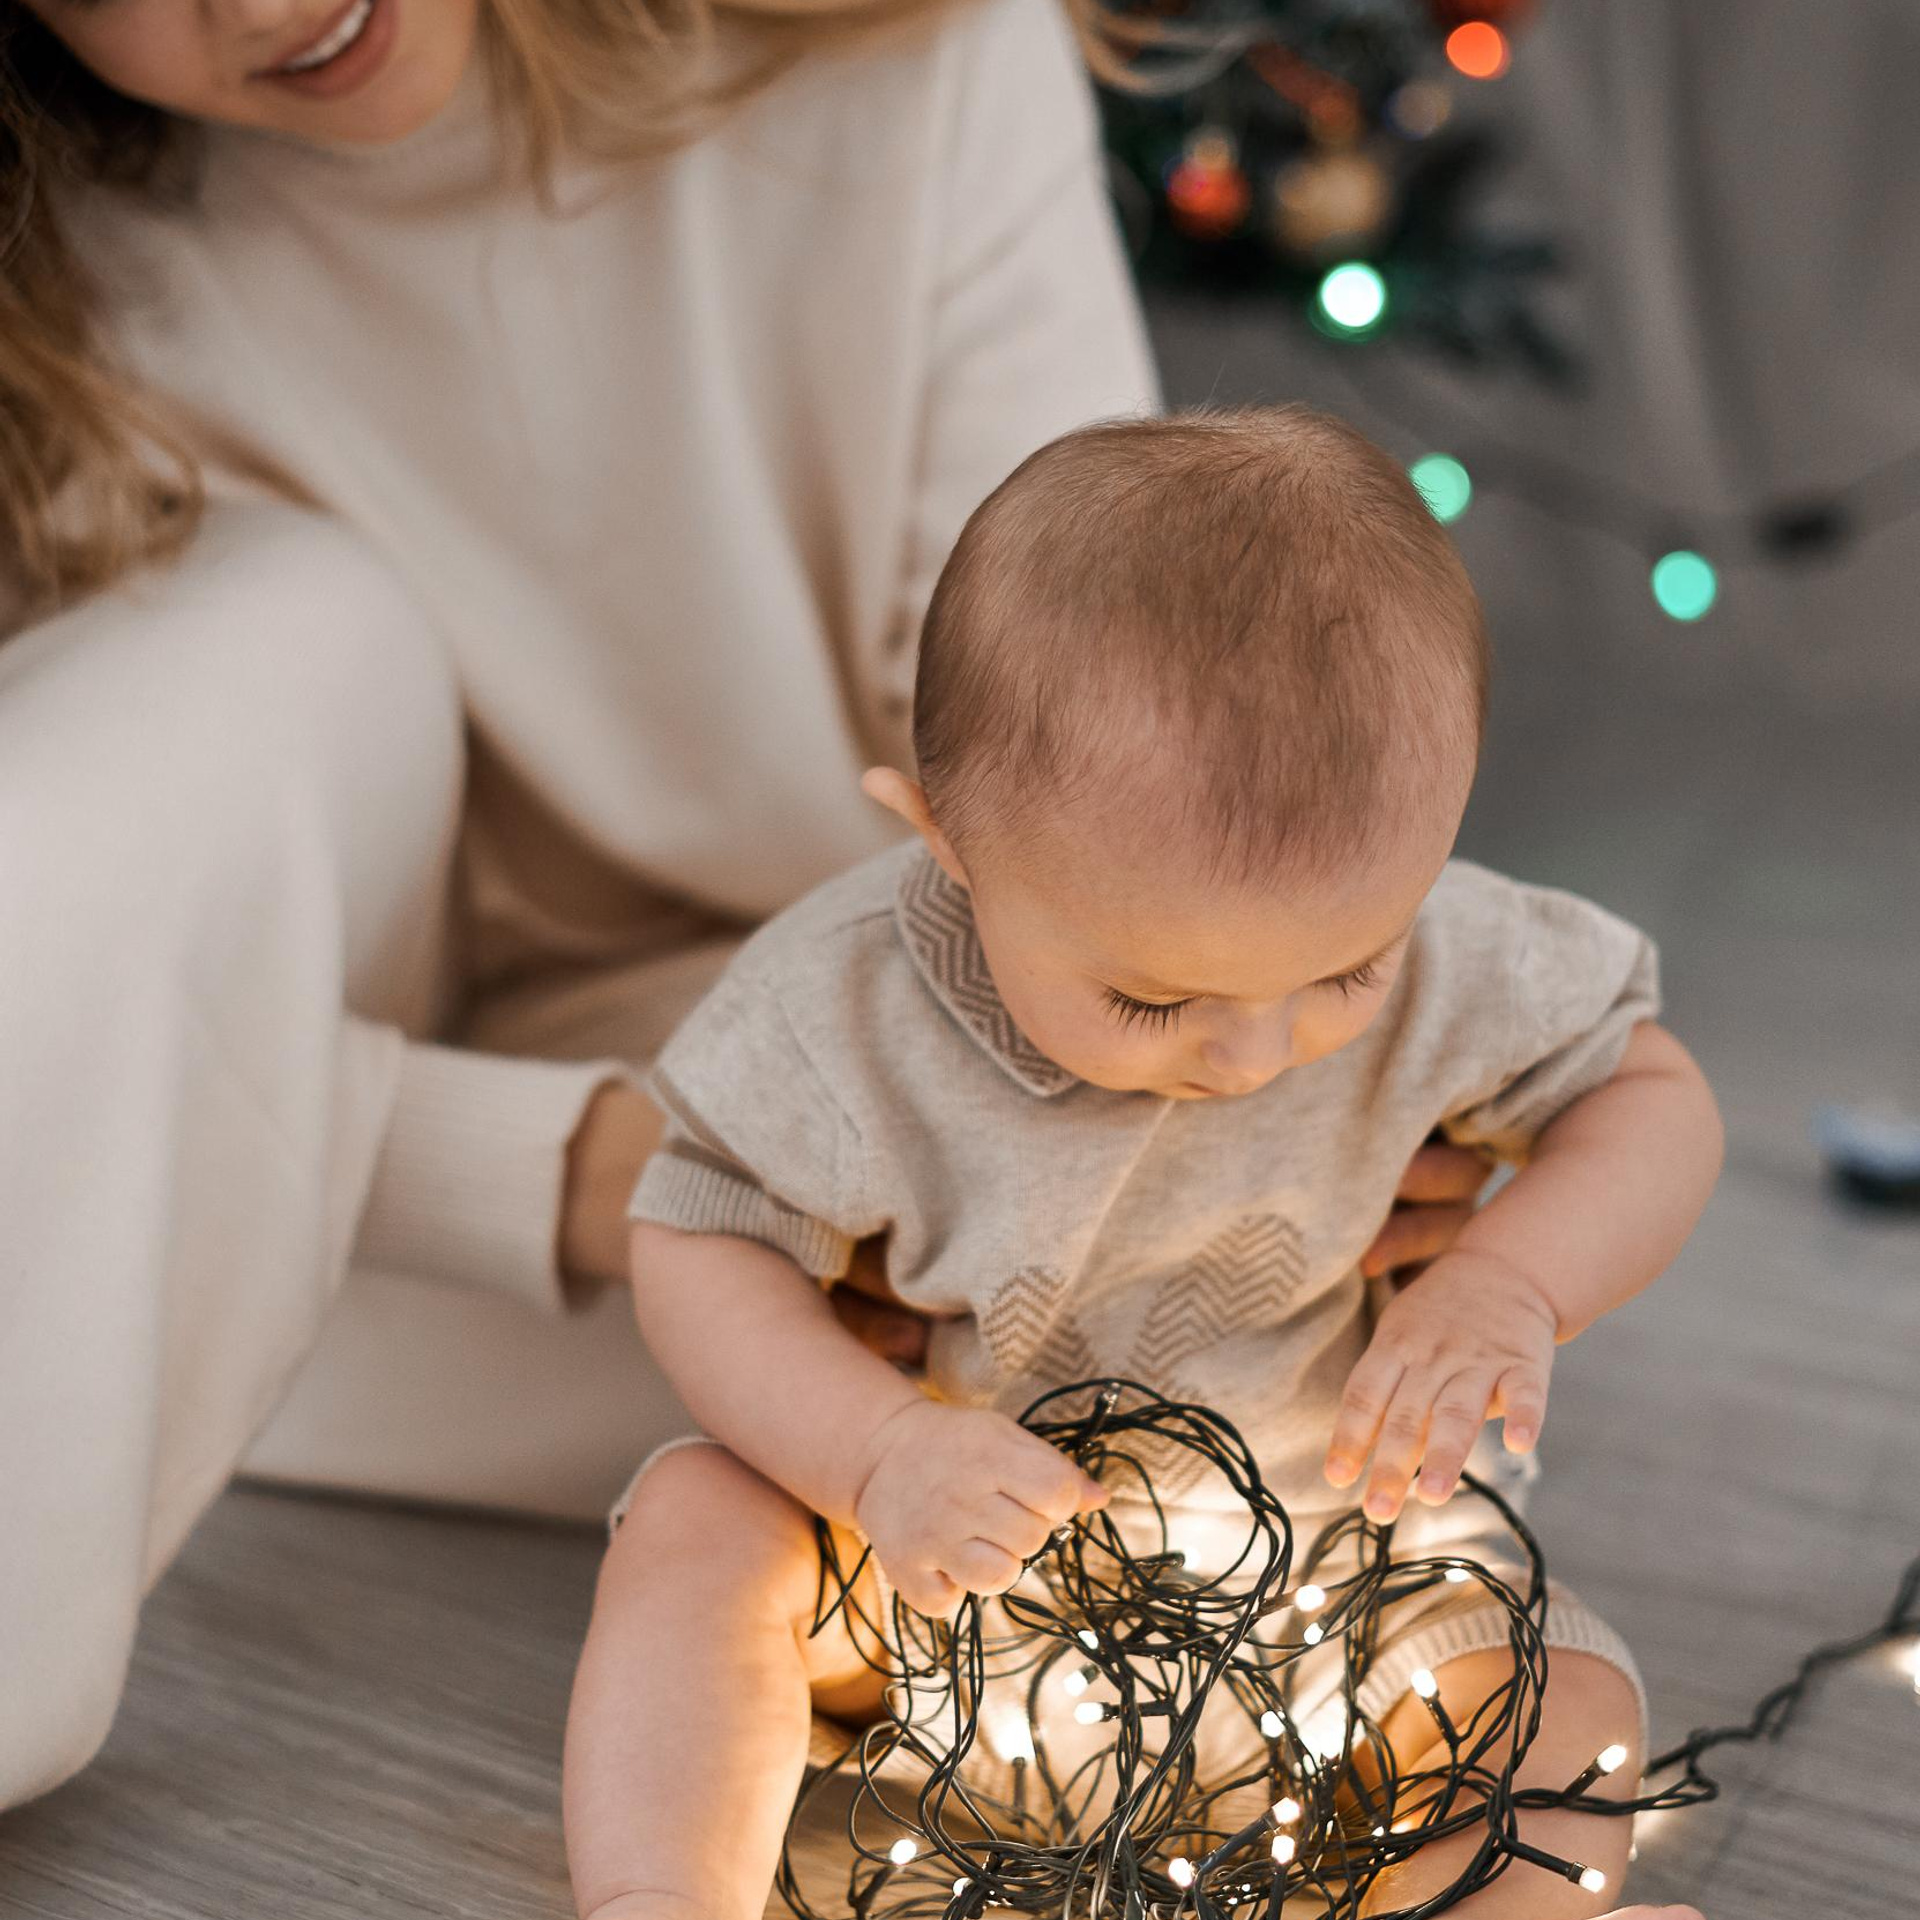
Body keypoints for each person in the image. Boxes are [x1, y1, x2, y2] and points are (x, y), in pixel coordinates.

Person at [0, 0, 1538, 1830]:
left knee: (1321, 1487)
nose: (257, 1)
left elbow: (1109, 808)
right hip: (315, 1235)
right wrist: (603, 1173)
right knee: (272, 629)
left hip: (918, 1216)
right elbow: (106, 1040)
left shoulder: (904, 61)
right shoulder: (54, 278)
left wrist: (1291, 1078)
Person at [566, 408, 1725, 1919]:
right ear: (949, 845)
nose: (1252, 1056)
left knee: (1562, 1702)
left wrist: (1511, 1280)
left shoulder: (1451, 948)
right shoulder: (842, 1009)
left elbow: (1651, 1094)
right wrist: (876, 1452)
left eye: (1345, 972)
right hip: (940, 1598)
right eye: (1155, 1000)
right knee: (701, 1520)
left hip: (1324, 1612)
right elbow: (695, 1235)